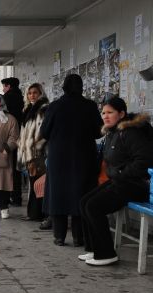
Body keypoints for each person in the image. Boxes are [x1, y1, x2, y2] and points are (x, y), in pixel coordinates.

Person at [79, 97, 153, 266]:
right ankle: (95, 249)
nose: (105, 116)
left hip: (136, 185)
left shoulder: (130, 132)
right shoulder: (112, 133)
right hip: (121, 181)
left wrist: (121, 173)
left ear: (121, 114)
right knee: (84, 202)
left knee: (94, 206)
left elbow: (147, 160)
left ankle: (106, 254)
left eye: (110, 112)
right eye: (103, 113)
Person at [40, 74, 103, 246]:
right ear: (81, 87)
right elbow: (99, 132)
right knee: (80, 194)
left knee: (58, 195)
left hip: (58, 158)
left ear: (64, 87)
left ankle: (59, 237)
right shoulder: (90, 106)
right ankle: (78, 237)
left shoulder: (55, 106)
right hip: (84, 157)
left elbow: (44, 132)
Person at [17, 83, 49, 222]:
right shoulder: (28, 109)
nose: (32, 95)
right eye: (29, 93)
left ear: (40, 93)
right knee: (33, 183)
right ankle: (34, 213)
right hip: (29, 153)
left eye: (35, 92)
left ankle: (40, 214)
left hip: (38, 153)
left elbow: (44, 132)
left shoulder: (44, 109)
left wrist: (36, 147)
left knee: (39, 184)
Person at [1, 77, 24, 206]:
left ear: (8, 86)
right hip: (20, 135)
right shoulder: (21, 97)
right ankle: (17, 197)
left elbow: (3, 117)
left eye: (4, 86)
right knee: (17, 168)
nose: (3, 89)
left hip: (8, 135)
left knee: (8, 167)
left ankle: (10, 195)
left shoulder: (6, 98)